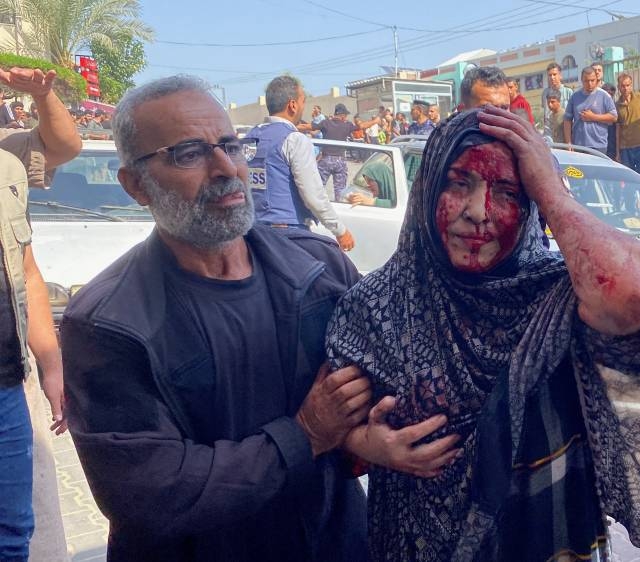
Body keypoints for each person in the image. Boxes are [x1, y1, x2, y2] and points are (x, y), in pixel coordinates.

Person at [60, 75, 446, 561]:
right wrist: (304, 434)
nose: (225, 168)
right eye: (188, 153)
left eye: (230, 145)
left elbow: (388, 390)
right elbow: (152, 493)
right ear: (136, 185)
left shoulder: (319, 269)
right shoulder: (107, 322)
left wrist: (366, 440)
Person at [326, 105, 640, 561]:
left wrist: (553, 191)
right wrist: (369, 446)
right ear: (428, 186)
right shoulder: (377, 306)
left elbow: (632, 294)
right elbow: (326, 428)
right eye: (458, 184)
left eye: (509, 191)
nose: (478, 212)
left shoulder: (559, 296)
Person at [0, 66, 79, 562]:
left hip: (5, 385)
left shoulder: (7, 157)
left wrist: (52, 366)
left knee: (13, 531)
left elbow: (26, 270)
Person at [244, 75, 354, 250]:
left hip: (252, 232)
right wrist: (340, 230)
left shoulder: (249, 138)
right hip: (288, 235)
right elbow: (314, 196)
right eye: (303, 101)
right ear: (292, 105)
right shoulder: (294, 139)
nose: (304, 107)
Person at [563, 67, 618, 153]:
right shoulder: (574, 97)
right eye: (586, 81)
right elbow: (567, 120)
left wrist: (593, 117)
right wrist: (569, 143)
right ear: (582, 80)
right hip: (579, 146)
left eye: (592, 80)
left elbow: (614, 117)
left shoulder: (604, 96)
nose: (590, 83)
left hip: (599, 146)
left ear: (596, 79)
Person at [615, 72, 640, 181]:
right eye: (623, 86)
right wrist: (618, 152)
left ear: (631, 86)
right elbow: (618, 129)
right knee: (629, 180)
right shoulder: (617, 105)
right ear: (619, 87)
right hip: (626, 148)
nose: (625, 88)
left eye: (628, 85)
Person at [314, 103, 356, 201]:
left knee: (317, 188)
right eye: (345, 115)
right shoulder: (347, 125)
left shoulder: (326, 123)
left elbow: (311, 127)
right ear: (342, 115)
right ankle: (339, 209)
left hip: (326, 159)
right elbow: (362, 126)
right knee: (340, 191)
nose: (346, 117)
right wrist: (375, 120)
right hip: (340, 161)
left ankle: (315, 211)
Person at [541, 62, 574, 138]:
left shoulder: (569, 92)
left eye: (554, 74)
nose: (552, 77)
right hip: (550, 134)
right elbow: (545, 116)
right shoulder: (545, 93)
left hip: (566, 133)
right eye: (550, 75)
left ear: (560, 75)